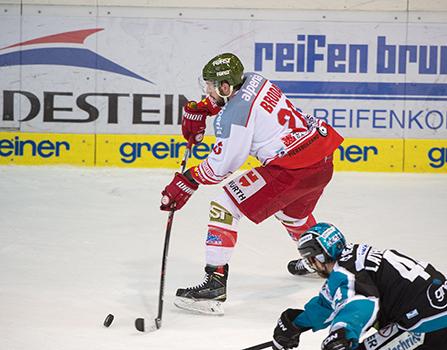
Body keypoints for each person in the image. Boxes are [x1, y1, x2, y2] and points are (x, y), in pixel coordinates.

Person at [160, 53, 344, 315]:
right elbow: (241, 99)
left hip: (292, 169)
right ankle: (322, 261)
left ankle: (214, 283)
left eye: (211, 86)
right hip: (322, 160)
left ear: (225, 86)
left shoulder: (234, 116)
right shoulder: (256, 79)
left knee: (226, 204)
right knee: (293, 215)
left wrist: (187, 180)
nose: (207, 90)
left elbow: (221, 167)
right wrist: (205, 108)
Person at [272, 222, 447, 350]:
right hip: (433, 312)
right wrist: (295, 324)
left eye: (309, 260)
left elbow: (362, 303)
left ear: (316, 258)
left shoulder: (346, 272)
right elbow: (329, 304)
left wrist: (343, 332)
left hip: (426, 323)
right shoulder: (353, 260)